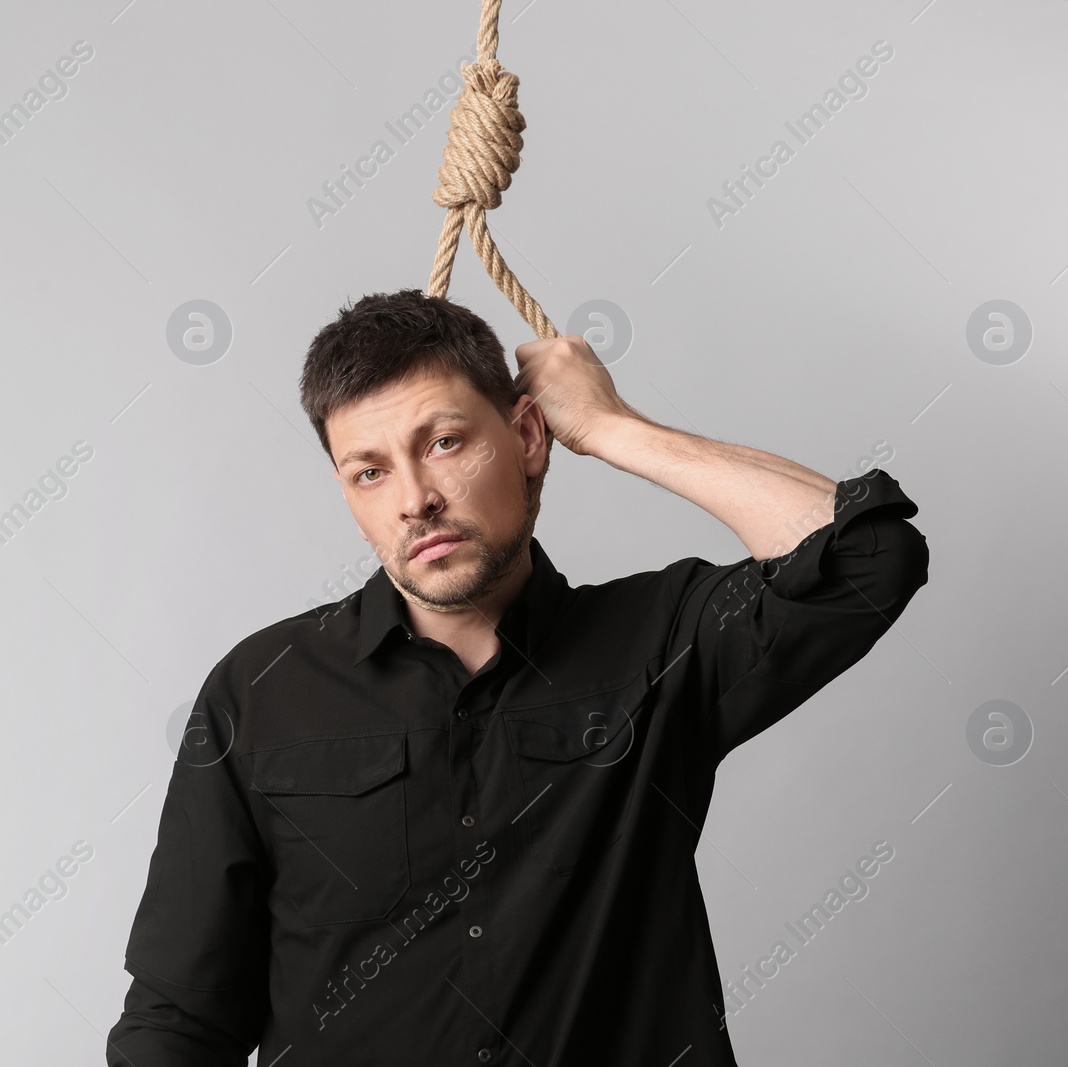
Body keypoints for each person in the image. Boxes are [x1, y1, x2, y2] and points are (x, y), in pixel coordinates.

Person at [107, 289, 930, 1065]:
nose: (414, 499)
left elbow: (867, 557)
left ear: (528, 438)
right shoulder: (261, 689)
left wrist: (611, 426)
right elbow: (181, 1015)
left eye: (444, 442)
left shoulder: (663, 641)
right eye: (370, 470)